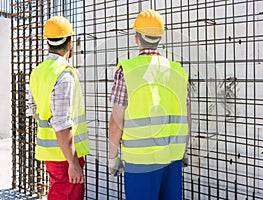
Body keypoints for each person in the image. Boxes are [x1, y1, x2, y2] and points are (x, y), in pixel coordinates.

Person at [108, 9, 191, 200]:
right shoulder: (178, 71)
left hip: (141, 163)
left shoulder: (127, 71)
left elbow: (116, 122)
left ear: (137, 37)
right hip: (172, 159)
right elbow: (187, 118)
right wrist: (184, 150)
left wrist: (113, 157)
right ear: (160, 38)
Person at [28, 16, 90, 200]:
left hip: (51, 154)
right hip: (65, 155)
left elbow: (33, 111)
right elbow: (61, 122)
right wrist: (72, 162)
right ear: (70, 42)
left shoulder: (38, 71)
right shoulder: (64, 73)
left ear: (47, 41)